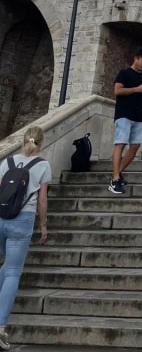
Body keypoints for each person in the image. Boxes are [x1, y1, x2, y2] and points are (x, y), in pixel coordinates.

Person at [0, 126, 51, 350]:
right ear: (41, 142)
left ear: (23, 140)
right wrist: (43, 225)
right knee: (12, 272)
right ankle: (0, 326)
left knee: (6, 266)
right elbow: (41, 201)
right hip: (23, 220)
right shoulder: (43, 165)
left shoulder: (7, 162)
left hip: (1, 218)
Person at [109, 46, 142, 194]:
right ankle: (115, 180)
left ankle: (117, 174)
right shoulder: (124, 74)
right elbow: (117, 91)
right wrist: (136, 89)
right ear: (136, 58)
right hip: (123, 113)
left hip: (137, 115)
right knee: (120, 144)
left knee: (134, 147)